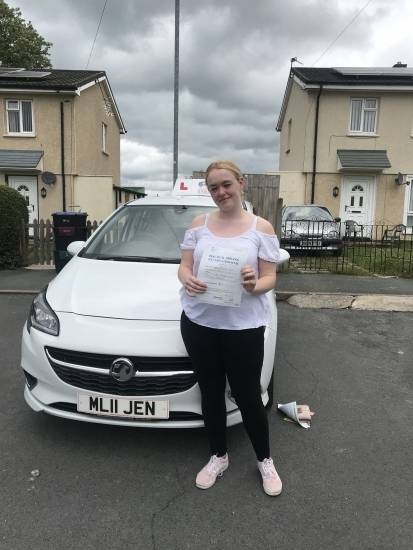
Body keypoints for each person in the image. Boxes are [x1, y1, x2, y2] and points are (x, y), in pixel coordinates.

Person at [178, 160, 282, 496]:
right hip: (199, 321)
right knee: (209, 391)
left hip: (243, 325)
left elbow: (270, 277)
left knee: (248, 395)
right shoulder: (199, 224)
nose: (221, 192)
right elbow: (184, 266)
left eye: (226, 184)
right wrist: (187, 279)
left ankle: (264, 460)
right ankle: (218, 456)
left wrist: (255, 285)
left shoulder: (261, 228)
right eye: (213, 187)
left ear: (241, 183)